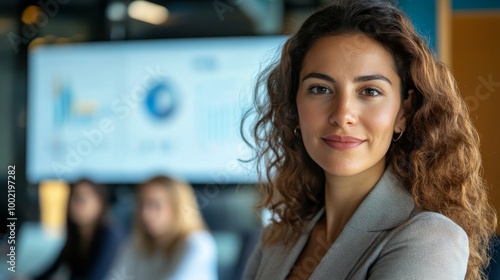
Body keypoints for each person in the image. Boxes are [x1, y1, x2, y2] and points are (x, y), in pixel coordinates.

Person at [241, 1, 497, 280]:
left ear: (404, 111)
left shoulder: (430, 239)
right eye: (320, 88)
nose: (342, 115)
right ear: (294, 106)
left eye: (370, 91)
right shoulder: (277, 238)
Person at [108, 176, 217, 280]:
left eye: (155, 205)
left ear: (178, 208)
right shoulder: (136, 245)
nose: (145, 214)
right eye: (141, 204)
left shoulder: (198, 243)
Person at [35, 179, 122, 280]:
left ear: (100, 203)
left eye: (81, 199)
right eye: (72, 198)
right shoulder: (74, 235)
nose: (74, 204)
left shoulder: (111, 236)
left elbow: (96, 277)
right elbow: (52, 269)